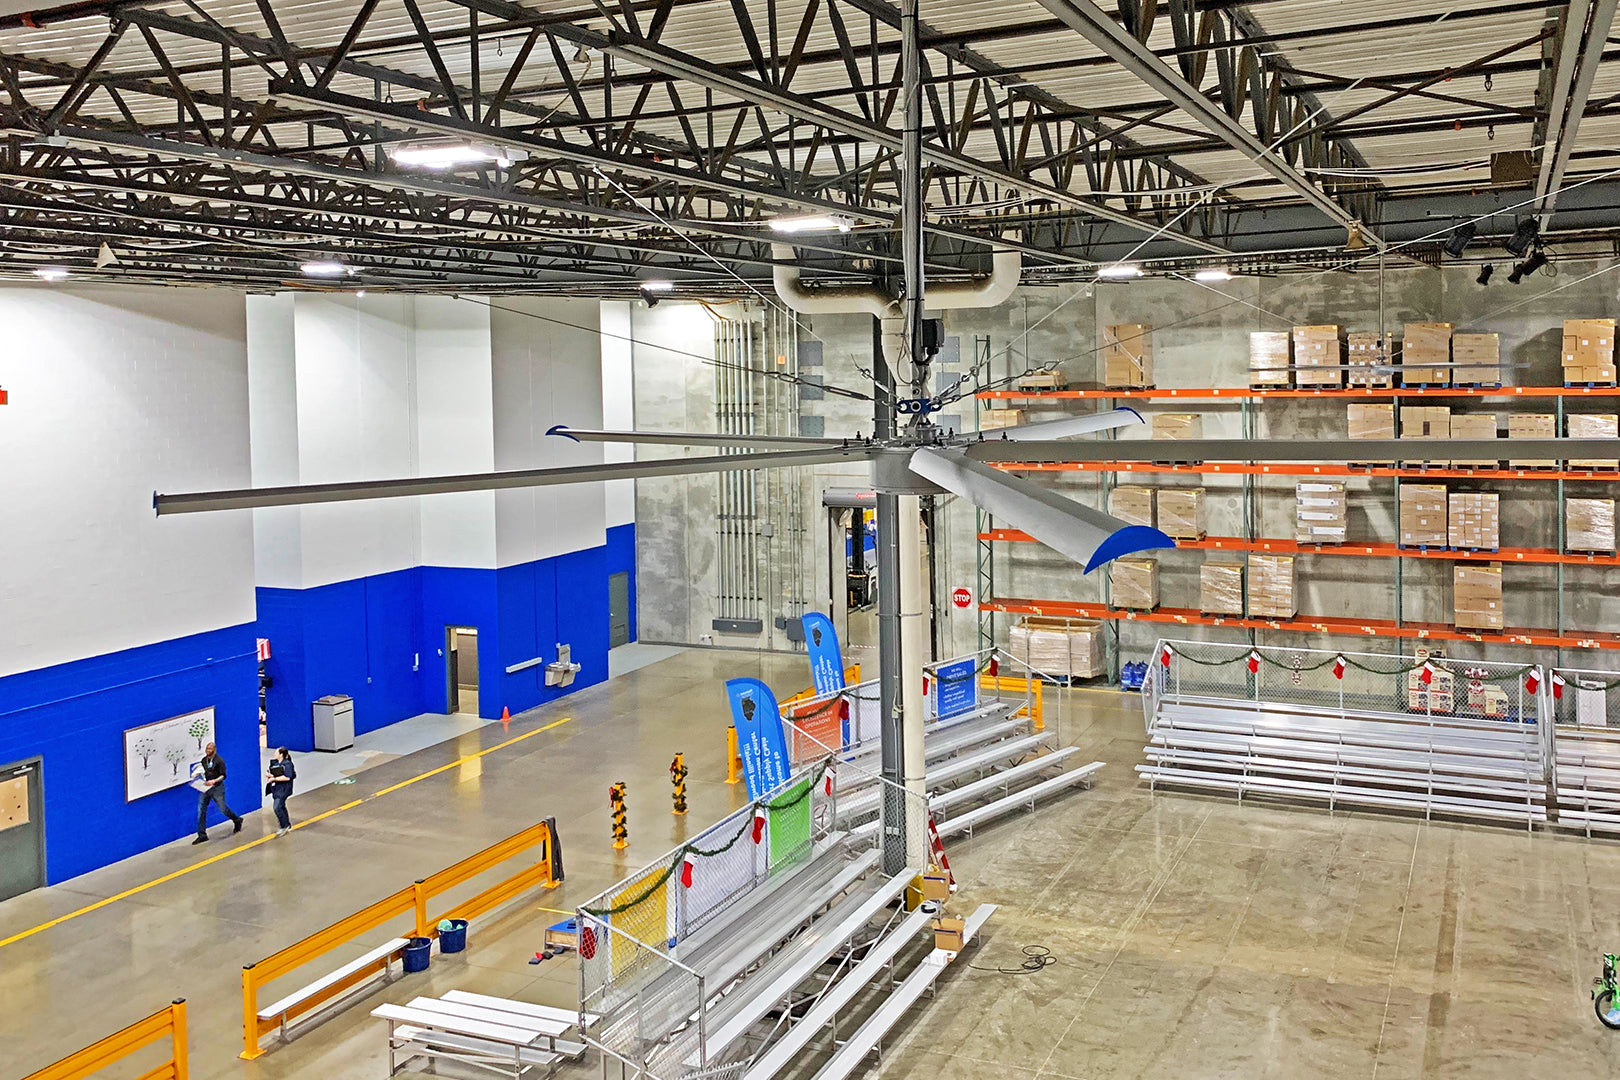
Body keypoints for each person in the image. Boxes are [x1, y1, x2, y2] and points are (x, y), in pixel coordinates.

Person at [193, 741, 243, 844]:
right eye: (207, 749)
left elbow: (223, 775)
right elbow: (204, 772)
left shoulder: (219, 761)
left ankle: (237, 820)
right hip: (206, 788)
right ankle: (202, 835)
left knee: (222, 808)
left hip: (217, 788)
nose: (208, 751)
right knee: (201, 810)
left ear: (214, 750)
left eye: (210, 749)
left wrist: (214, 781)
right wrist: (198, 775)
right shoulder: (204, 760)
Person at [266, 747, 296, 836]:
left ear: (281, 755)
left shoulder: (287, 764)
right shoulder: (274, 763)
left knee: (277, 807)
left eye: (276, 753)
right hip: (276, 789)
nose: (274, 754)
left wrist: (274, 778)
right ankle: (287, 824)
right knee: (281, 806)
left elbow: (288, 777)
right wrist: (270, 775)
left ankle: (284, 826)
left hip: (283, 789)